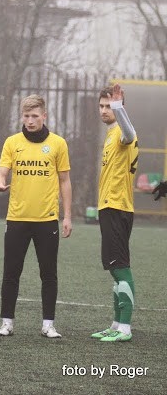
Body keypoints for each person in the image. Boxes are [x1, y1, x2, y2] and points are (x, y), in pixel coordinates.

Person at [0, 94, 72, 338]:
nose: (30, 120)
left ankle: (48, 324)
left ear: (44, 116)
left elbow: (65, 181)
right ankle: (7, 323)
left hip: (47, 220)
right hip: (17, 219)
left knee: (48, 274)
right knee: (11, 273)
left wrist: (67, 216)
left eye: (35, 116)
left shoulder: (58, 144)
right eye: (26, 116)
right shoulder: (12, 142)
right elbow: (1, 172)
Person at [91, 84, 138, 342]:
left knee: (121, 268)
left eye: (109, 106)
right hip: (108, 206)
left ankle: (125, 328)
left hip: (118, 207)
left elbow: (130, 134)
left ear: (120, 107)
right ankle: (116, 323)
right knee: (114, 268)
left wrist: (119, 107)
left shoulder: (122, 130)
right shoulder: (110, 134)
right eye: (101, 106)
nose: (104, 110)